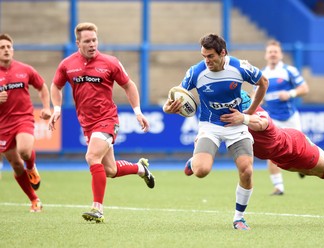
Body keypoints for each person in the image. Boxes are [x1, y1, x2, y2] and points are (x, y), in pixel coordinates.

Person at [48, 22, 155, 223]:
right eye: (87, 41)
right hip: (86, 124)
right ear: (77, 43)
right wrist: (57, 109)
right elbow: (55, 85)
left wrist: (138, 112)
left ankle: (98, 208)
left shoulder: (110, 62)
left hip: (107, 119)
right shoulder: (67, 64)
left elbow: (128, 85)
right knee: (110, 170)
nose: (92, 44)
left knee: (91, 156)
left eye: (94, 40)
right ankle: (141, 169)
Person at [163, 33, 269, 230]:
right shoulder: (196, 72)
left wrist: (251, 111)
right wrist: (168, 108)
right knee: (201, 171)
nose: (207, 61)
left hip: (236, 126)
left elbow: (263, 83)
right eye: (204, 56)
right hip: (210, 126)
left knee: (247, 170)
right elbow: (176, 96)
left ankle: (239, 218)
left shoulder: (240, 67)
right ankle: (194, 161)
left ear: (223, 53)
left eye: (210, 56)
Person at [220, 91, 324, 215]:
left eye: (232, 106)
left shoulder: (256, 114)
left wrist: (243, 118)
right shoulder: (234, 122)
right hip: (281, 158)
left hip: (295, 147)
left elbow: (261, 123)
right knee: (315, 173)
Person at [0, 33, 51, 212]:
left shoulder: (25, 69)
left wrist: (46, 107)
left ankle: (32, 168)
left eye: (9, 47)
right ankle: (34, 199)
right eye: (2, 47)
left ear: (13, 50)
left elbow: (42, 87)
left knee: (24, 151)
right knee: (15, 164)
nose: (6, 50)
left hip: (23, 118)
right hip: (2, 125)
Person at [256, 39, 310, 196]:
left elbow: (304, 88)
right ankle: (279, 187)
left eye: (275, 52)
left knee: (301, 150)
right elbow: (254, 94)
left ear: (280, 55)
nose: (273, 54)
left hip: (291, 117)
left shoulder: (289, 71)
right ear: (266, 55)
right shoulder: (261, 74)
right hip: (273, 119)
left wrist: (291, 93)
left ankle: (303, 167)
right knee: (271, 151)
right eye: (270, 52)